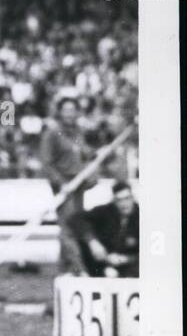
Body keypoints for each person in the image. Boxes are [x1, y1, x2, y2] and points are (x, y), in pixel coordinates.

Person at [39, 95, 91, 274]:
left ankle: (65, 268)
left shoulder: (79, 133)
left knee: (77, 224)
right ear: (60, 112)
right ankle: (78, 268)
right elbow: (46, 163)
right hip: (64, 185)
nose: (70, 113)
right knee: (68, 226)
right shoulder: (52, 133)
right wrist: (60, 183)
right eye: (66, 110)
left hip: (79, 185)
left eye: (72, 110)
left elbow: (84, 156)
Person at [72, 180, 139, 278]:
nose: (124, 204)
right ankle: (79, 273)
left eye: (127, 198)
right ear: (114, 200)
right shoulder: (107, 211)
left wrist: (126, 259)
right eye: (119, 200)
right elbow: (77, 219)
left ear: (133, 198)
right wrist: (92, 242)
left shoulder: (142, 217)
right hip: (103, 263)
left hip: (130, 268)